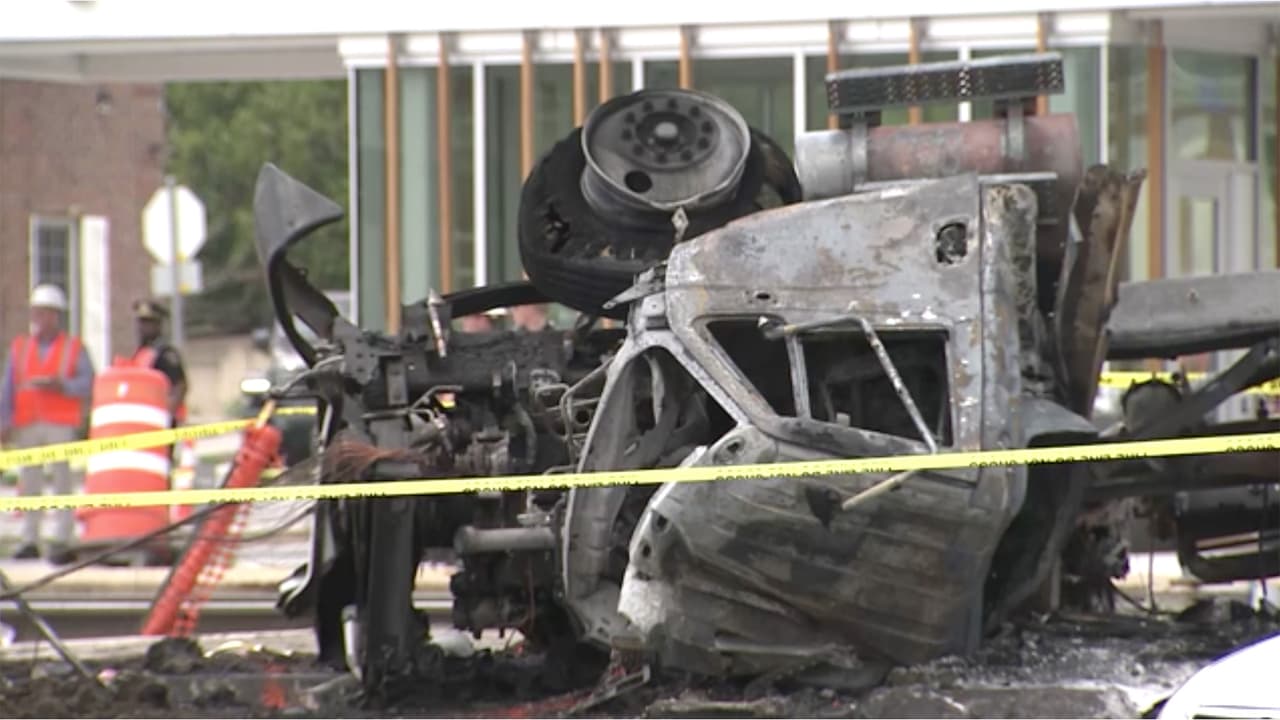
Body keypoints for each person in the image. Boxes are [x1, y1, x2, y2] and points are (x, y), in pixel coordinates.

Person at [0, 285, 95, 564]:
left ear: (55, 316)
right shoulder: (20, 347)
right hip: (28, 423)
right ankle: (29, 538)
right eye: (35, 313)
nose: (38, 318)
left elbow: (88, 382)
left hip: (60, 423)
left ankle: (62, 536)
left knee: (61, 480)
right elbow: (8, 387)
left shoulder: (73, 348)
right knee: (30, 483)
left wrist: (62, 386)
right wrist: (3, 421)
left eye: (43, 313)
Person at [130, 299, 187, 450]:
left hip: (159, 421)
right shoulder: (140, 353)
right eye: (140, 322)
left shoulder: (166, 354)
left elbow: (180, 386)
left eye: (148, 322)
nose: (142, 327)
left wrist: (166, 416)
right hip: (142, 420)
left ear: (158, 325)